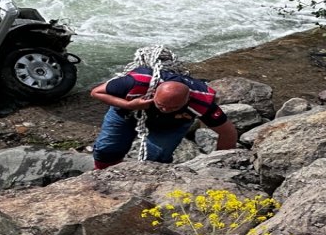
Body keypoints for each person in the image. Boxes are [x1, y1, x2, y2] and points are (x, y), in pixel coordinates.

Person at [89, 46, 238, 170]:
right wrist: (128, 104)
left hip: (171, 124)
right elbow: (96, 92)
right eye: (161, 105)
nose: (165, 109)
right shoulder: (135, 83)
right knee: (106, 149)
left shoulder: (200, 101)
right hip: (127, 111)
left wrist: (218, 165)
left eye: (173, 107)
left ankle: (150, 181)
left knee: (155, 158)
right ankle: (101, 175)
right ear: (154, 92)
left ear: (187, 100)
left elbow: (228, 132)